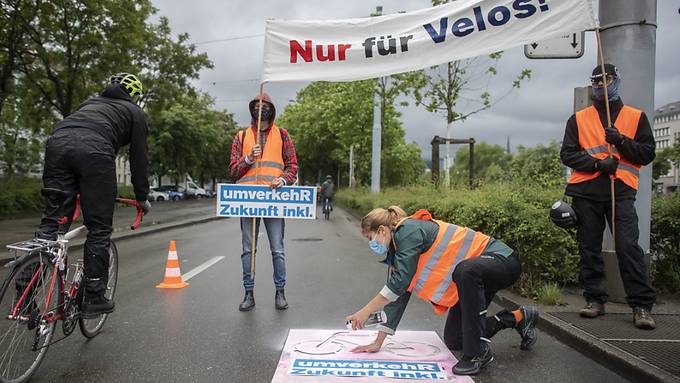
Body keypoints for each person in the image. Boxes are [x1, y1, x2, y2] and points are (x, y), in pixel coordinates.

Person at [346, 206, 539, 376]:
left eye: (370, 238)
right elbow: (398, 295)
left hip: (502, 260)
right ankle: (519, 317)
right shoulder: (398, 254)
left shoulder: (408, 230)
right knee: (455, 340)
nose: (371, 244)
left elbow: (398, 284)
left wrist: (364, 313)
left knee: (465, 270)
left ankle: (477, 353)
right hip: (473, 279)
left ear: (381, 230)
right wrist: (377, 342)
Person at [34, 73, 151, 318]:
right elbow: (139, 158)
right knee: (98, 228)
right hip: (95, 150)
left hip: (57, 144)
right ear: (134, 94)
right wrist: (142, 196)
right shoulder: (134, 112)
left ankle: (25, 287)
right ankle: (94, 296)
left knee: (51, 225)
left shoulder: (88, 104)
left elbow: (74, 141)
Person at [559, 64, 656, 329]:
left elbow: (647, 154)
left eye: (607, 79)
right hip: (586, 192)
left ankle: (642, 306)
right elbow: (567, 154)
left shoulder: (636, 117)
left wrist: (622, 140)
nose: (601, 84)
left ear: (616, 81)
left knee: (627, 247)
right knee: (588, 248)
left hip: (621, 190)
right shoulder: (578, 119)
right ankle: (594, 300)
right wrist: (597, 165)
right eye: (597, 81)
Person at [229, 93, 298, 311]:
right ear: (251, 110)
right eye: (257, 106)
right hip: (248, 202)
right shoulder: (241, 137)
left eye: (265, 106)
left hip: (274, 201)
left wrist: (283, 179)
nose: (261, 109)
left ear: (272, 109)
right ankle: (248, 293)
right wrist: (248, 158)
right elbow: (233, 171)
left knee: (277, 249)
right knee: (248, 250)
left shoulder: (282, 134)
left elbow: (293, 167)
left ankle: (280, 292)